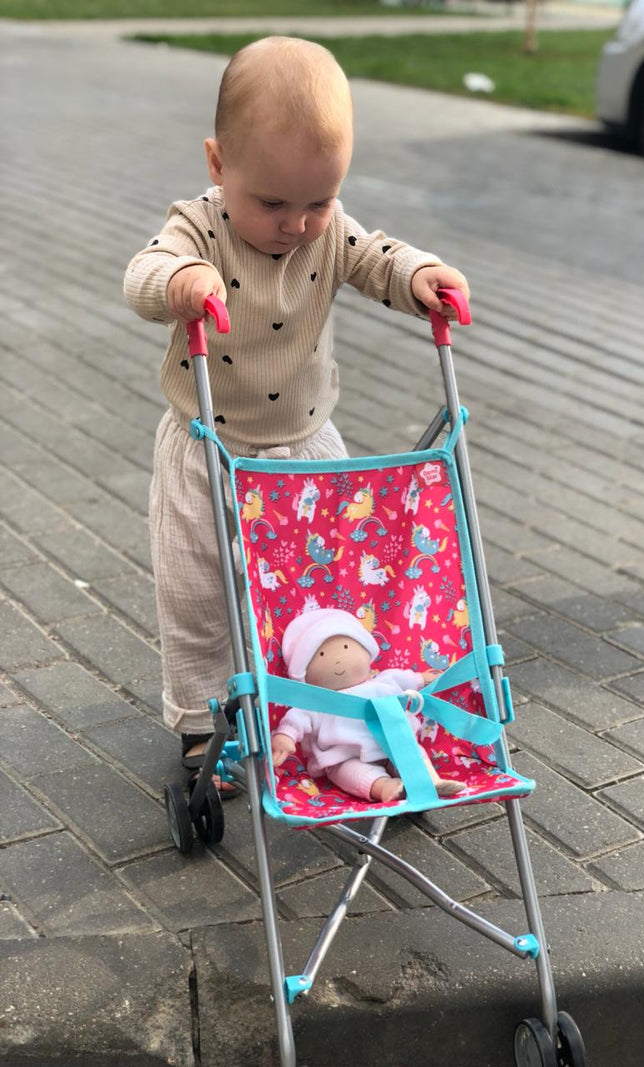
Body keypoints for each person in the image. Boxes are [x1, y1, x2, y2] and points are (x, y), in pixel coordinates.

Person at [123, 36, 470, 785]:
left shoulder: (328, 230)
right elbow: (143, 272)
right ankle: (202, 723)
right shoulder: (198, 228)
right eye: (274, 203)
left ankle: (323, 711)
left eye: (319, 201)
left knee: (317, 598)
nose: (298, 224)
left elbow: (375, 256)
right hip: (207, 446)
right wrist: (181, 281)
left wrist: (418, 275)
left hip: (306, 448)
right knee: (197, 593)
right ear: (219, 165)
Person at [273, 608, 466, 802]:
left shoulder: (383, 681)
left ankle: (430, 780)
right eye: (321, 654)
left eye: (346, 647)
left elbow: (411, 679)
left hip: (394, 742)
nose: (338, 660)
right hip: (344, 755)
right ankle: (385, 787)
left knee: (411, 751)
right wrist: (285, 736)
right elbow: (296, 719)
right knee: (347, 772)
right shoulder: (316, 703)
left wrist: (426, 678)